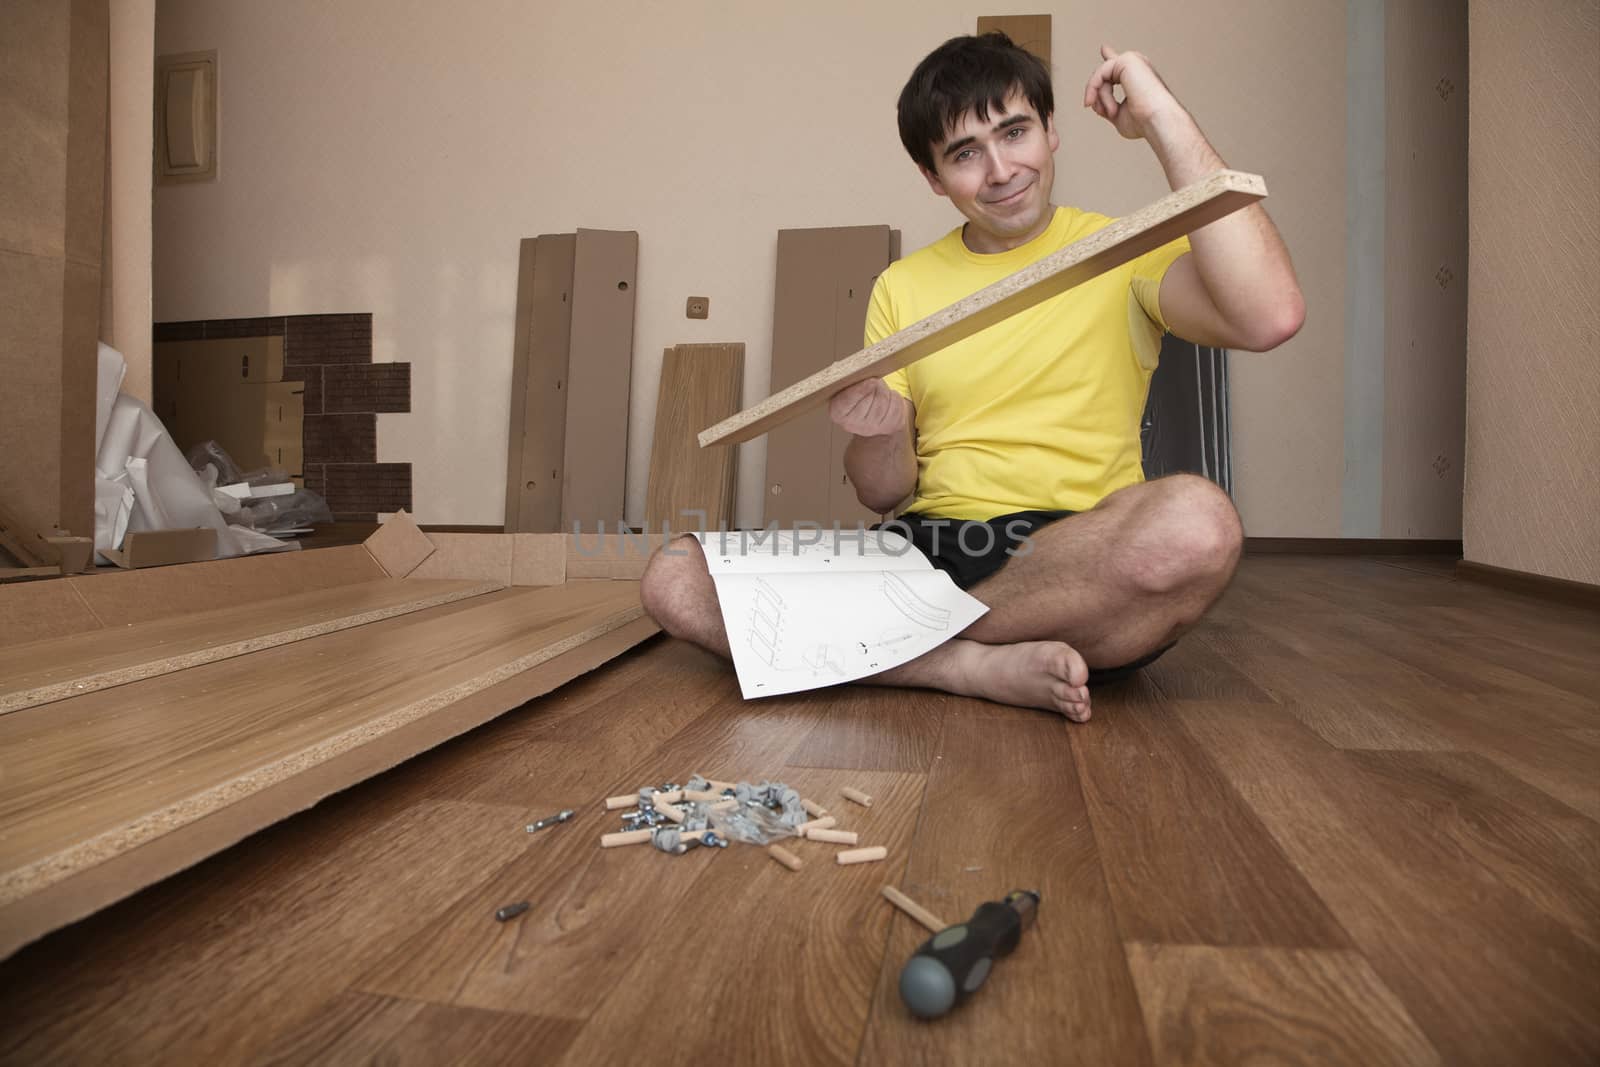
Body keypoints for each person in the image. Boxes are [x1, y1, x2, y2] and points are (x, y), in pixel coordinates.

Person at [641, 33, 1304, 722]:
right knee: (674, 578)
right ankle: (960, 664)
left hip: (1071, 555)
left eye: (1015, 132)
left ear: (1051, 131)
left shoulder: (1121, 250)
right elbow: (882, 492)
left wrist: (1161, 116)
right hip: (926, 550)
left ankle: (868, 643)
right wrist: (883, 430)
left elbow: (1271, 316)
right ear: (933, 177)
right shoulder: (902, 285)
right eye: (964, 153)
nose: (1000, 169)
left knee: (1198, 525)